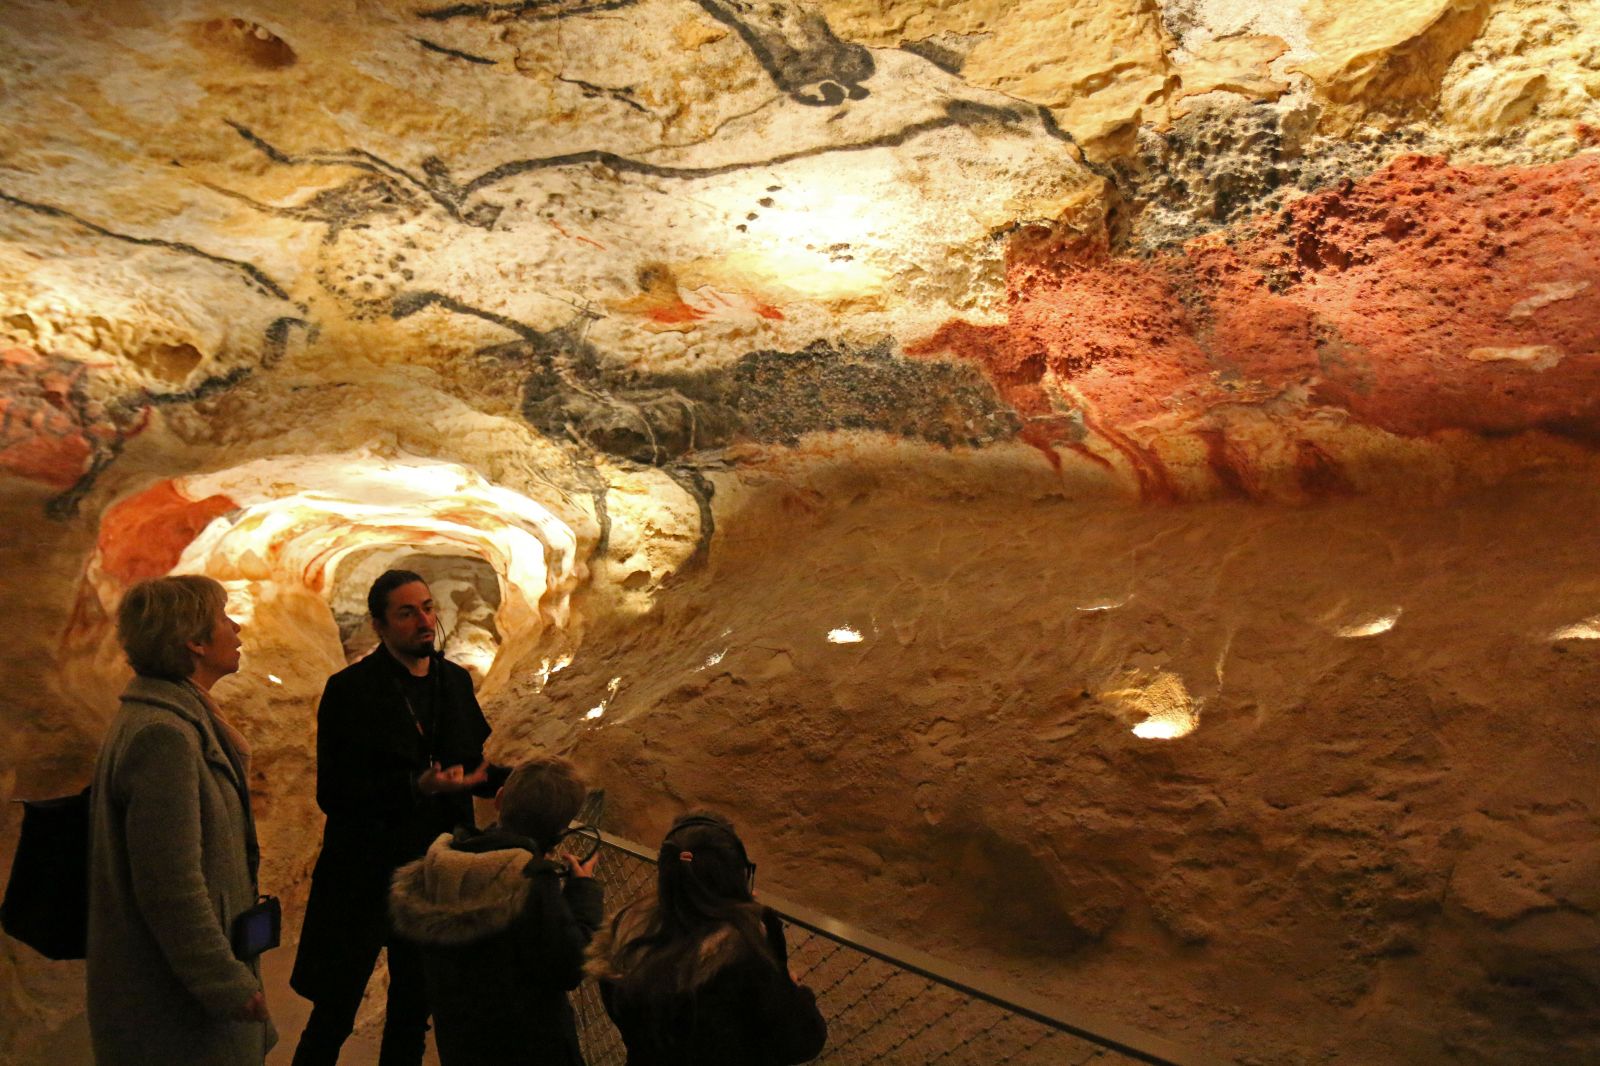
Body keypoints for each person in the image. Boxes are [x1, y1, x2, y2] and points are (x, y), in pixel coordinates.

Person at [290, 569, 507, 1066]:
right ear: (380, 624)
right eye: (407, 612)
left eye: (428, 607)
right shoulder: (349, 690)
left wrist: (516, 782)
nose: (424, 621)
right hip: (363, 875)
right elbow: (334, 793)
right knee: (335, 1011)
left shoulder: (452, 681)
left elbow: (470, 767)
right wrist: (416, 787)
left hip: (431, 874)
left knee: (413, 1008)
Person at [86, 575, 275, 1065]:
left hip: (176, 989)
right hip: (173, 1004)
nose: (237, 629)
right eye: (223, 619)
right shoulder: (163, 736)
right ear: (194, 641)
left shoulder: (173, 718)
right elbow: (169, 883)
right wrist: (224, 981)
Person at [389, 756, 604, 1065]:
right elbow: (569, 964)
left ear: (500, 799)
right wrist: (582, 892)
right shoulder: (529, 880)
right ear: (562, 828)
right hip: (526, 1048)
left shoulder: (445, 863)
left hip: (462, 1043)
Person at [589, 812, 827, 1066]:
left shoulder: (624, 934)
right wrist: (783, 975)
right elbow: (802, 1041)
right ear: (738, 877)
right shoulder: (745, 961)